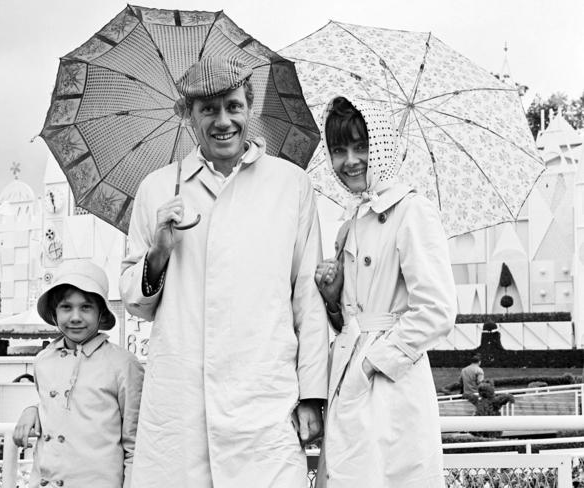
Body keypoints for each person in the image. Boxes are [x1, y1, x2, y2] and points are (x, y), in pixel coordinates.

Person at [120, 56, 329, 487]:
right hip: (181, 406)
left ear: (249, 107)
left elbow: (307, 299)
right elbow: (135, 304)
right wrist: (159, 251)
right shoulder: (158, 189)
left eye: (233, 106)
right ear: (187, 115)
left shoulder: (290, 186)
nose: (223, 121)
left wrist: (312, 396)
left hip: (263, 398)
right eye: (208, 109)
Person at [314, 96, 456, 487]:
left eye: (362, 146)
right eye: (339, 150)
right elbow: (350, 317)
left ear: (381, 146)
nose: (350, 161)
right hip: (349, 377)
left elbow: (437, 310)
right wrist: (332, 297)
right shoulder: (350, 223)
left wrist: (372, 363)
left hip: (391, 382)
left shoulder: (413, 212)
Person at [13, 259, 144, 488]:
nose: (75, 317)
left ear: (101, 313)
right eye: (66, 307)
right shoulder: (43, 361)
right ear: (54, 313)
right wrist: (32, 409)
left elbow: (136, 445)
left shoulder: (124, 364)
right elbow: (59, 408)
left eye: (85, 307)